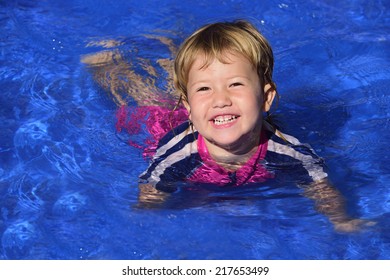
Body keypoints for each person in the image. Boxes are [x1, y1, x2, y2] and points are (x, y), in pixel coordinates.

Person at [132, 20, 375, 232]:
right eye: (204, 89)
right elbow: (149, 197)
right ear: (188, 107)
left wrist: (342, 221)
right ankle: (112, 63)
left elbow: (321, 188)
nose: (220, 100)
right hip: (165, 122)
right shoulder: (179, 154)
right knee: (145, 97)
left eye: (236, 84)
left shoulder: (286, 151)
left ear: (266, 97)